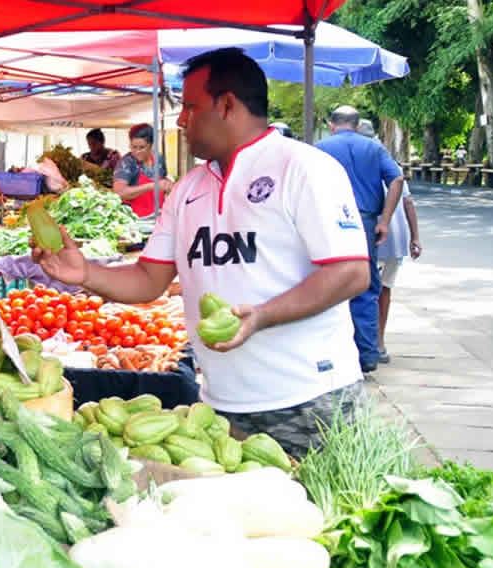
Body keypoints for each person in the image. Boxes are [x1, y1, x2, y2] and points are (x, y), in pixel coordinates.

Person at [33, 48, 370, 458]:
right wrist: (85, 272)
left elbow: (350, 272)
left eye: (190, 107)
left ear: (227, 105)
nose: (180, 120)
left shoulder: (304, 168)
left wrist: (263, 315)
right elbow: (148, 280)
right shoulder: (188, 189)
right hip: (220, 407)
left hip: (309, 400)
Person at [316, 106, 404, 373]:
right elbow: (397, 179)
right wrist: (385, 220)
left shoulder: (319, 148)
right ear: (356, 124)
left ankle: (331, 353)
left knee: (325, 285)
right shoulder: (374, 148)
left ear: (332, 124)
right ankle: (367, 355)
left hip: (326, 221)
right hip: (364, 221)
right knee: (365, 285)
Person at [355, 122, 421, 364]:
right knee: (383, 290)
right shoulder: (388, 161)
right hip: (395, 240)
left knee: (363, 290)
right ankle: (378, 342)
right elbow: (409, 202)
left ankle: (368, 343)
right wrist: (415, 238)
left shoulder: (359, 165)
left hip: (372, 236)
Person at [113, 123, 172, 218]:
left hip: (159, 216)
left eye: (142, 147)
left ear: (151, 145)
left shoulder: (159, 158)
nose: (137, 151)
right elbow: (119, 192)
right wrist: (152, 186)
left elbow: (163, 178)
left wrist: (168, 184)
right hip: (137, 221)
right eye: (133, 147)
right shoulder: (126, 163)